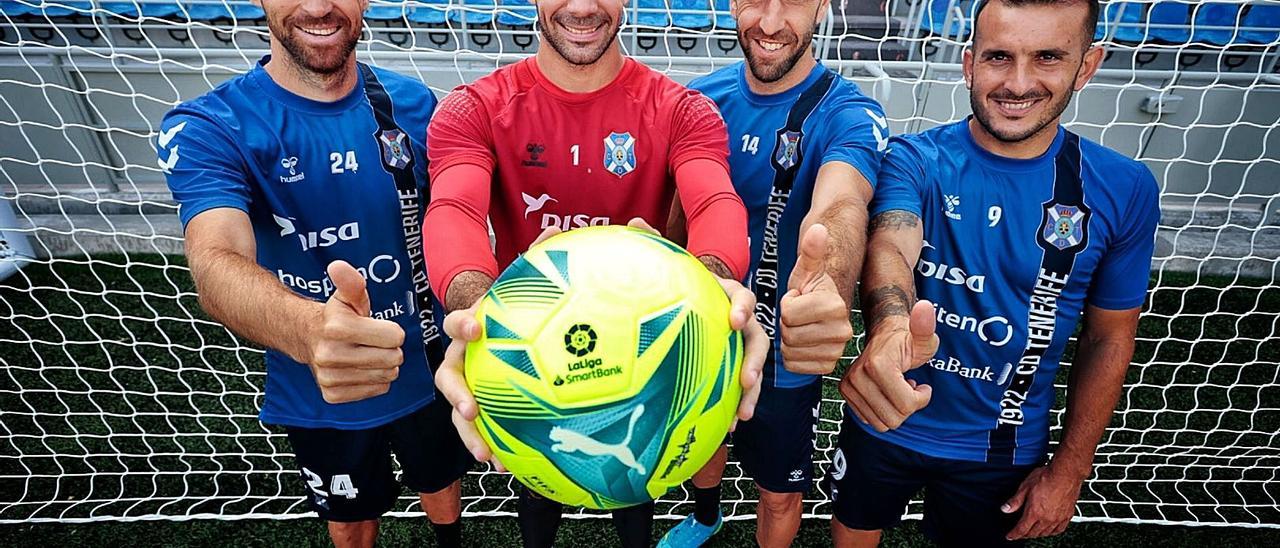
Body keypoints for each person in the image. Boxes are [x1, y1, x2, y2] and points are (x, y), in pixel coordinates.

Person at [418, 0, 768, 546]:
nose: (581, 7)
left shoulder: (683, 110)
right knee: (537, 491)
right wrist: (475, 307)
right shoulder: (473, 108)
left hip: (647, 350)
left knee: (636, 486)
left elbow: (714, 201)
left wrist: (714, 284)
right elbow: (455, 211)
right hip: (530, 347)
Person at [831, 1, 1159, 546]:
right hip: (884, 413)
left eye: (1049, 57)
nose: (1018, 82)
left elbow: (1109, 336)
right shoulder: (911, 159)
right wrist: (890, 328)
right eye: (999, 57)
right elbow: (891, 243)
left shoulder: (1124, 188)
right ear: (968, 64)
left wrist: (1070, 470)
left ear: (1088, 65)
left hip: (1003, 448)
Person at [156, 0, 470, 546]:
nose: (320, 6)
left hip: (428, 368)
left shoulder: (417, 106)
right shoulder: (213, 123)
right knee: (349, 518)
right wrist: (307, 331)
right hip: (317, 384)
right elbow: (215, 257)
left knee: (441, 479)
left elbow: (455, 220)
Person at [659, 0, 889, 545]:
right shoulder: (699, 101)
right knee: (704, 444)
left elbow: (841, 204)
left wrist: (827, 283)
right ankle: (707, 514)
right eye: (755, 0)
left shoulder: (848, 113)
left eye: (792, 1)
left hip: (789, 341)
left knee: (781, 489)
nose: (769, 21)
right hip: (706, 332)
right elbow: (674, 219)